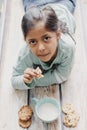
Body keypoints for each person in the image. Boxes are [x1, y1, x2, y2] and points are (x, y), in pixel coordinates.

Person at [11, 0, 76, 89]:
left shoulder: (67, 47)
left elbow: (62, 76)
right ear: (26, 41)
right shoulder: (26, 52)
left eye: (46, 38)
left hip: (60, 3)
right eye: (33, 41)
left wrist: (33, 81)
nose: (41, 48)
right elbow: (14, 80)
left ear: (58, 35)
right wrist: (25, 80)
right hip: (35, 8)